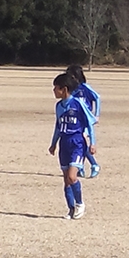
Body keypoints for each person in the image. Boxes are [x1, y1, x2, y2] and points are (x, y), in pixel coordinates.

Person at [48, 73, 98, 219]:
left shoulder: (78, 104)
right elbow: (58, 126)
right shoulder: (58, 106)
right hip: (64, 143)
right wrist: (53, 144)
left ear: (64, 89)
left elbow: (90, 122)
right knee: (66, 179)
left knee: (72, 176)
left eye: (55, 88)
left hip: (77, 141)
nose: (53, 91)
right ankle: (71, 209)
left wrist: (92, 143)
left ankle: (80, 203)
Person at [66, 65, 101, 178]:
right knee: (80, 143)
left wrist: (96, 115)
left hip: (86, 119)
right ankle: (80, 166)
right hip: (77, 120)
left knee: (82, 142)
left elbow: (97, 97)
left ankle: (94, 164)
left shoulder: (85, 87)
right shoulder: (72, 90)